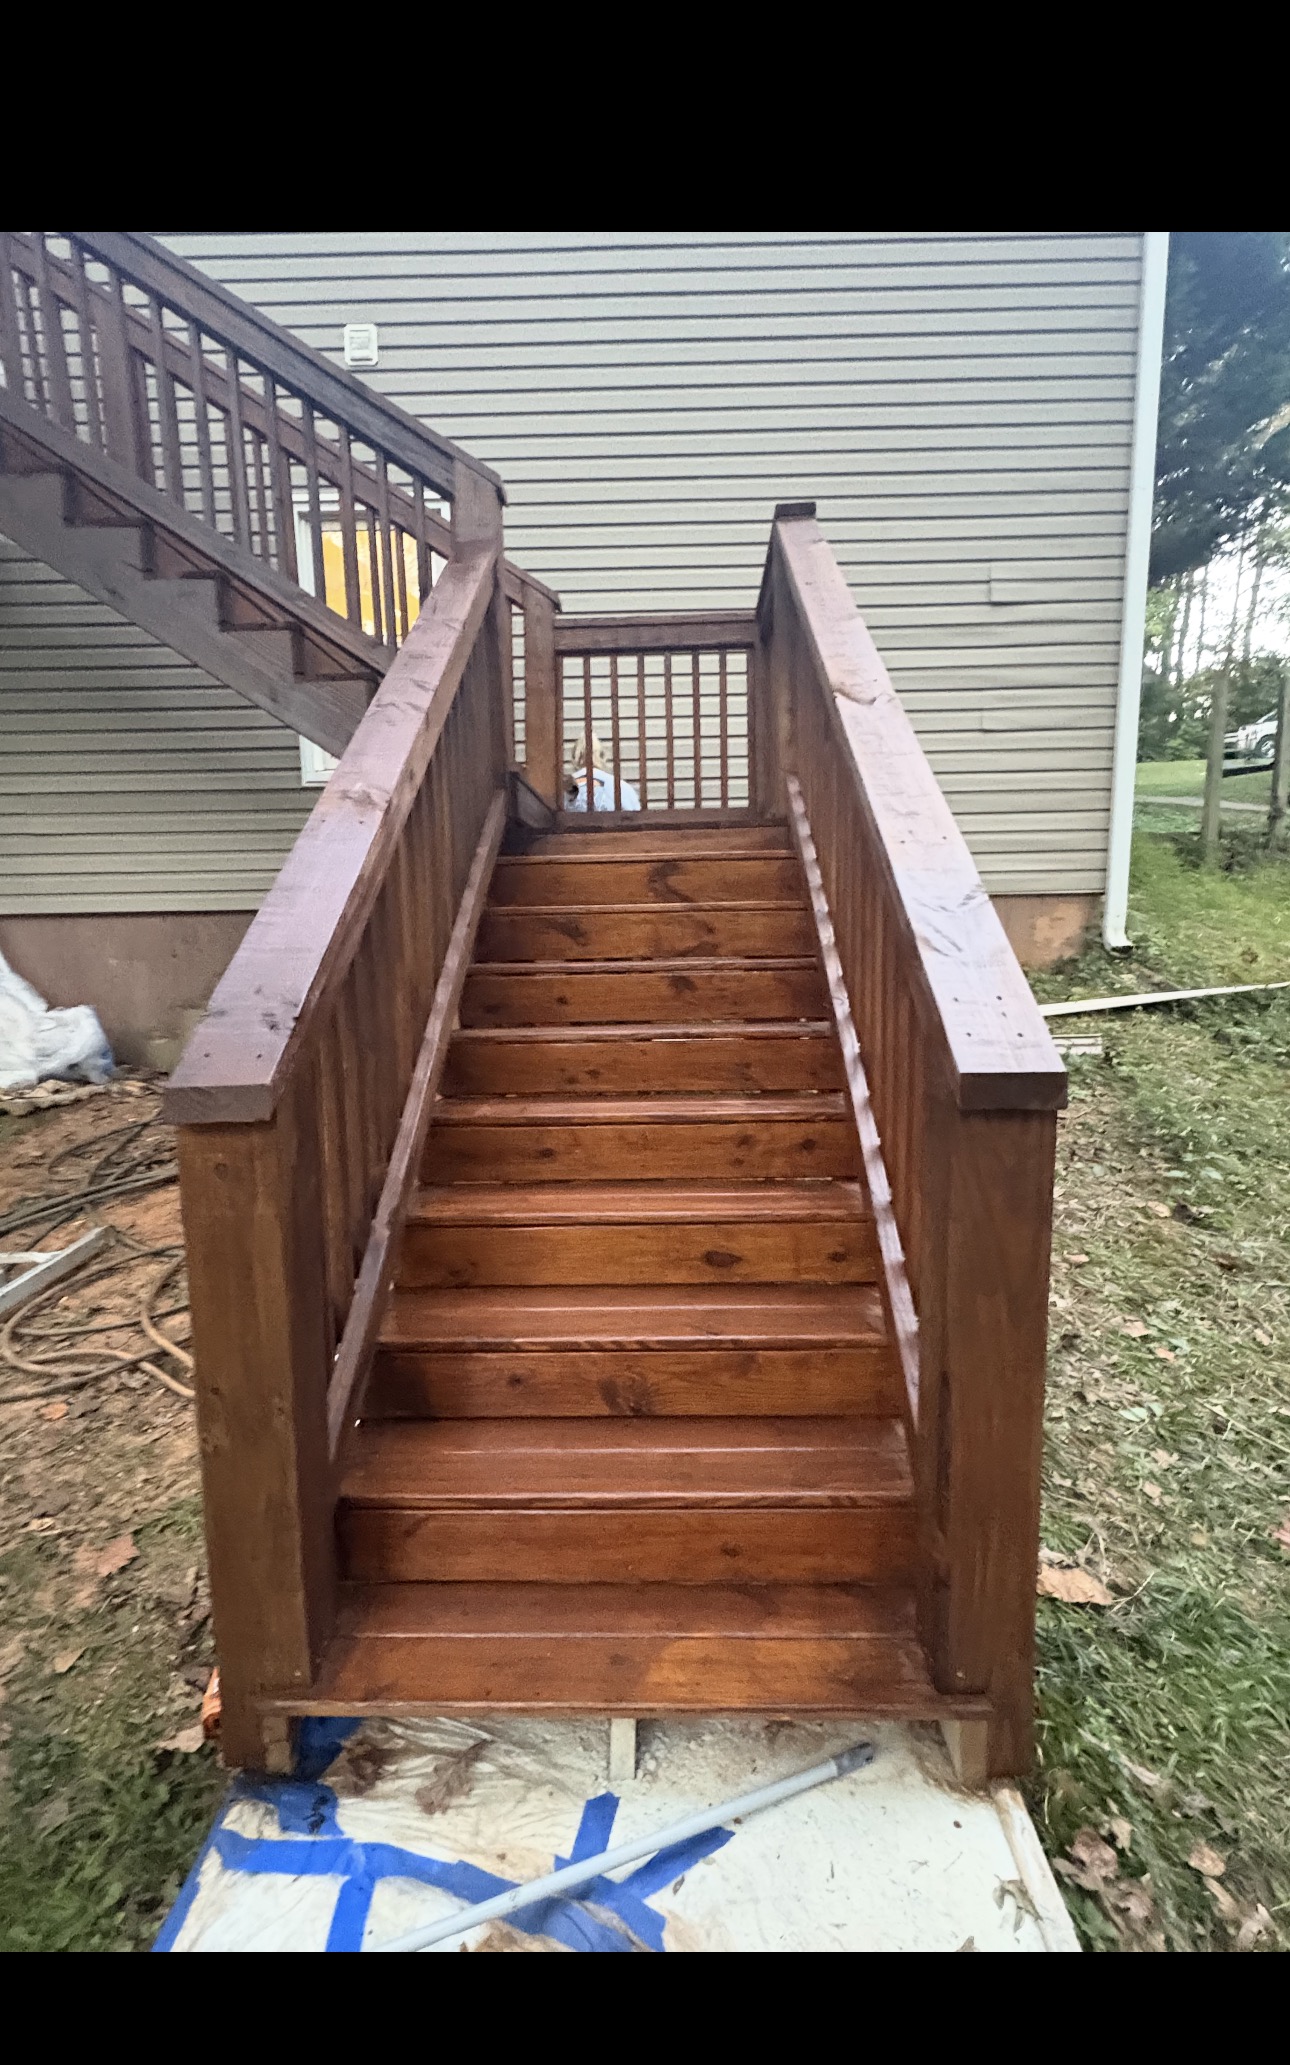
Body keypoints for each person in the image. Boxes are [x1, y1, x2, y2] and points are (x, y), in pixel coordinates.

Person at [565, 731, 641, 812]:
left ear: (574, 759)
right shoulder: (622, 788)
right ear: (603, 756)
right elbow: (637, 818)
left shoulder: (563, 790)